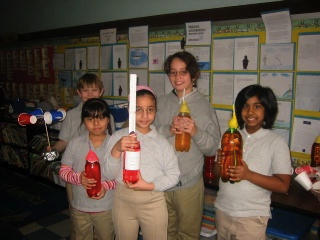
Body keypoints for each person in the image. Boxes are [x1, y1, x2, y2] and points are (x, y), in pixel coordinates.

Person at [154, 51, 221, 240]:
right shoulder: (161, 102)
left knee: (187, 236)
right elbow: (148, 134)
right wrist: (168, 129)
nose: (177, 77)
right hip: (161, 183)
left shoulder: (204, 107)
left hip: (188, 186)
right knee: (164, 234)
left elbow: (213, 148)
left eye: (183, 72)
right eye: (173, 72)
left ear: (194, 75)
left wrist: (195, 132)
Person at [213, 84, 292, 240]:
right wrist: (220, 164)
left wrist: (248, 174)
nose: (250, 112)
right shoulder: (230, 136)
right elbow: (217, 173)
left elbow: (283, 186)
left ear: (267, 110)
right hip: (222, 210)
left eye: (257, 106)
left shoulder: (276, 142)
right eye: (245, 106)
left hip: (252, 218)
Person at [104, 86, 180, 240]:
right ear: (130, 110)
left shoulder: (161, 142)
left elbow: (174, 175)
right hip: (122, 200)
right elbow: (108, 174)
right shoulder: (118, 138)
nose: (145, 115)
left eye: (150, 110)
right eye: (139, 110)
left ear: (155, 111)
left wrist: (148, 185)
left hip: (153, 201)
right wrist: (117, 150)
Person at [59, 98, 116, 240]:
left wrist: (106, 185)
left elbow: (121, 177)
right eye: (90, 119)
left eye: (101, 118)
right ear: (84, 121)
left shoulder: (115, 145)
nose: (96, 123)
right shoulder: (75, 143)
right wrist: (79, 178)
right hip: (79, 207)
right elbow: (63, 171)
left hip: (107, 208)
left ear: (108, 120)